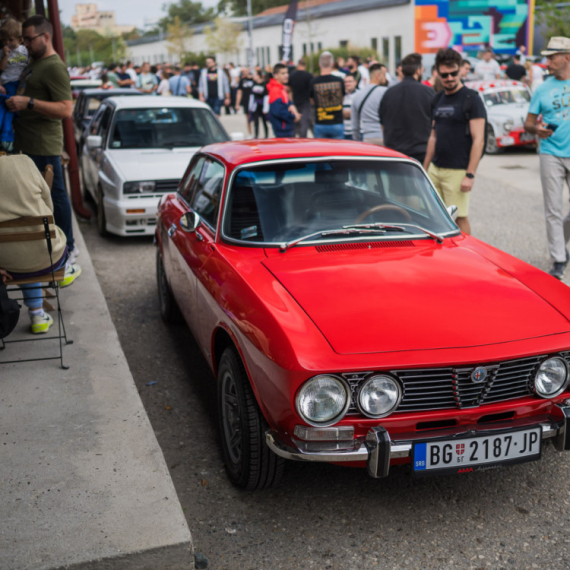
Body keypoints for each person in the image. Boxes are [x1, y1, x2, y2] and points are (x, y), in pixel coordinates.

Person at [2, 15, 77, 263]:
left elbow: (66, 109)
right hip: (28, 142)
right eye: (22, 39)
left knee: (54, 196)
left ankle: (69, 250)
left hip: (44, 144)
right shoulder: (35, 63)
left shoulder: (54, 66)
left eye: (29, 39)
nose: (25, 44)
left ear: (45, 37)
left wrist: (29, 103)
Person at [0, 154, 81, 334]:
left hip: (5, 268)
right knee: (35, 246)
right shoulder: (23, 162)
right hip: (46, 261)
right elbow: (49, 207)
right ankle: (38, 313)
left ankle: (37, 313)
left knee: (18, 253)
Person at [423, 48, 486, 235]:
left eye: (453, 73)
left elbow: (479, 139)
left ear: (459, 70)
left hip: (458, 171)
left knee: (459, 218)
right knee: (435, 216)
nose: (449, 77)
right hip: (436, 169)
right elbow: (433, 136)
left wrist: (470, 174)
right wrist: (424, 169)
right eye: (445, 74)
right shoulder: (437, 99)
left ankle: (468, 258)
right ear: (438, 73)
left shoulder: (471, 99)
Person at [523, 36, 570, 279]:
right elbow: (528, 123)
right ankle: (559, 259)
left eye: (552, 56)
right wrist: (537, 130)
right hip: (550, 152)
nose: (548, 61)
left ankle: (560, 242)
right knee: (553, 208)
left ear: (567, 58)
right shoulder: (542, 89)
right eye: (547, 57)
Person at [380, 53, 435, 164]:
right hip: (421, 154)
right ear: (418, 71)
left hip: (394, 153)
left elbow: (383, 125)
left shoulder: (389, 93)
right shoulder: (429, 93)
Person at [0, 18, 28, 152]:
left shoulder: (25, 50)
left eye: (10, 40)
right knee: (11, 107)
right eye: (5, 40)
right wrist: (5, 56)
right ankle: (6, 136)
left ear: (20, 40)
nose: (7, 43)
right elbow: (2, 67)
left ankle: (13, 137)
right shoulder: (3, 52)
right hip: (9, 82)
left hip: (22, 83)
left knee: (18, 111)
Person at [310, 51, 345, 139]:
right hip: (337, 122)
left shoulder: (313, 82)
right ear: (332, 64)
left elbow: (312, 101)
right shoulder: (339, 81)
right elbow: (342, 99)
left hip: (320, 123)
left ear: (319, 64)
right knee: (339, 152)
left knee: (321, 152)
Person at [350, 63, 388, 145]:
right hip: (384, 137)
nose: (386, 78)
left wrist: (357, 141)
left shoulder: (358, 95)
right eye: (384, 75)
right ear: (377, 75)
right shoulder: (385, 92)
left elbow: (355, 125)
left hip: (367, 139)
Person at [267, 63, 299, 138]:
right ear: (276, 75)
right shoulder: (275, 90)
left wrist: (291, 105)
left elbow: (286, 103)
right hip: (282, 130)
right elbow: (278, 111)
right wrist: (294, 116)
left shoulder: (281, 88)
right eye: (283, 73)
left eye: (287, 73)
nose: (286, 75)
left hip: (285, 128)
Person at [288, 58, 313, 138]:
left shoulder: (292, 75)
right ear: (305, 66)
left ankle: (294, 139)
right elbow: (311, 91)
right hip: (305, 102)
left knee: (295, 122)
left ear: (298, 65)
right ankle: (303, 139)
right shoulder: (309, 76)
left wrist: (291, 102)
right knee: (304, 123)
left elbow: (289, 90)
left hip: (295, 102)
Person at [249, 69, 269, 138]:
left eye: (254, 75)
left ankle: (266, 135)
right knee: (256, 121)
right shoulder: (254, 83)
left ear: (258, 76)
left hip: (262, 105)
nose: (253, 77)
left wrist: (265, 108)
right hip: (256, 105)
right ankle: (256, 135)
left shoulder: (264, 84)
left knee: (264, 122)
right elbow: (252, 95)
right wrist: (250, 106)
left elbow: (266, 96)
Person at [235, 67, 254, 137]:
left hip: (254, 101)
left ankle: (255, 132)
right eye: (243, 71)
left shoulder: (253, 79)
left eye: (245, 71)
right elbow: (239, 92)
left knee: (255, 118)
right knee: (248, 118)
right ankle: (250, 133)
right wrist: (237, 104)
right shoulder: (242, 81)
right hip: (246, 101)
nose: (244, 73)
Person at [342, 73, 358, 140]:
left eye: (350, 81)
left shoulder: (359, 95)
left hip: (356, 132)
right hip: (343, 132)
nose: (347, 84)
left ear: (355, 82)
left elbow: (358, 113)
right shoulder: (340, 96)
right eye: (345, 82)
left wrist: (343, 113)